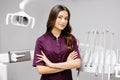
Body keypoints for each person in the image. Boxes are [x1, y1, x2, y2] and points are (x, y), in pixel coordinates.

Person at [33, 4, 81, 80]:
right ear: (53, 18)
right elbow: (41, 70)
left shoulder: (71, 39)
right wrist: (67, 65)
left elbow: (77, 63)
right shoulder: (41, 41)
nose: (63, 21)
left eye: (66, 18)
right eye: (60, 17)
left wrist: (51, 64)